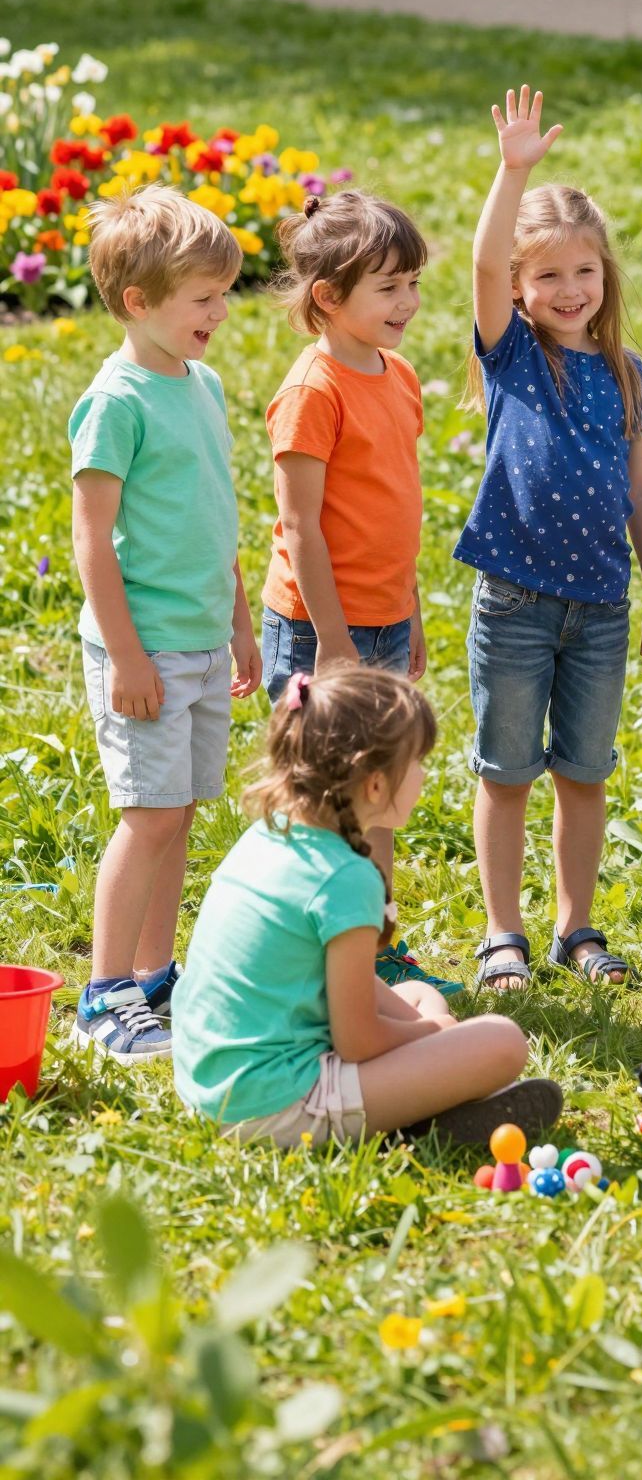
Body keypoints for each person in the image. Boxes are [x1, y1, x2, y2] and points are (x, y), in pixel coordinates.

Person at [454, 84, 642, 992]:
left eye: (583, 272)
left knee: (585, 774)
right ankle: (505, 932)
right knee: (506, 773)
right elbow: (483, 256)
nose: (569, 291)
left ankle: (578, 928)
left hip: (602, 609)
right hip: (515, 602)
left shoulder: (628, 374)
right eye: (547, 276)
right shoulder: (512, 352)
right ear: (517, 289)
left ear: (605, 275)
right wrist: (514, 171)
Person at [172, 665, 562, 1148]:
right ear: (376, 785)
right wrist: (430, 1034)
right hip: (273, 1105)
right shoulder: (346, 877)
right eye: (417, 763)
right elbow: (356, 1040)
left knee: (420, 995)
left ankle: (407, 1104)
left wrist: (422, 1025)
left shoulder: (271, 833)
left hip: (208, 1087)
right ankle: (416, 1116)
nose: (423, 775)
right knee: (501, 1040)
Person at [68, 189, 262, 1063]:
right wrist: (127, 656)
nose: (219, 313)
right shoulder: (116, 403)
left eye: (224, 294)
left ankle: (153, 977)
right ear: (139, 304)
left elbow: (215, 518)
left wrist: (241, 624)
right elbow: (93, 546)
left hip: (199, 637)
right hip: (140, 645)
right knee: (147, 817)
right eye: (203, 298)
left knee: (177, 815)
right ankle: (105, 992)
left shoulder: (205, 383)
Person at [261, 187, 458, 994]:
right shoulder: (313, 392)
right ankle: (307, 947)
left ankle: (376, 941)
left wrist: (405, 608)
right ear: (328, 298)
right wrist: (335, 640)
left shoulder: (399, 374)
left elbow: (396, 503)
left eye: (411, 282)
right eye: (388, 287)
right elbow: (302, 527)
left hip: (381, 622)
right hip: (318, 632)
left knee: (378, 795)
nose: (407, 303)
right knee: (320, 799)